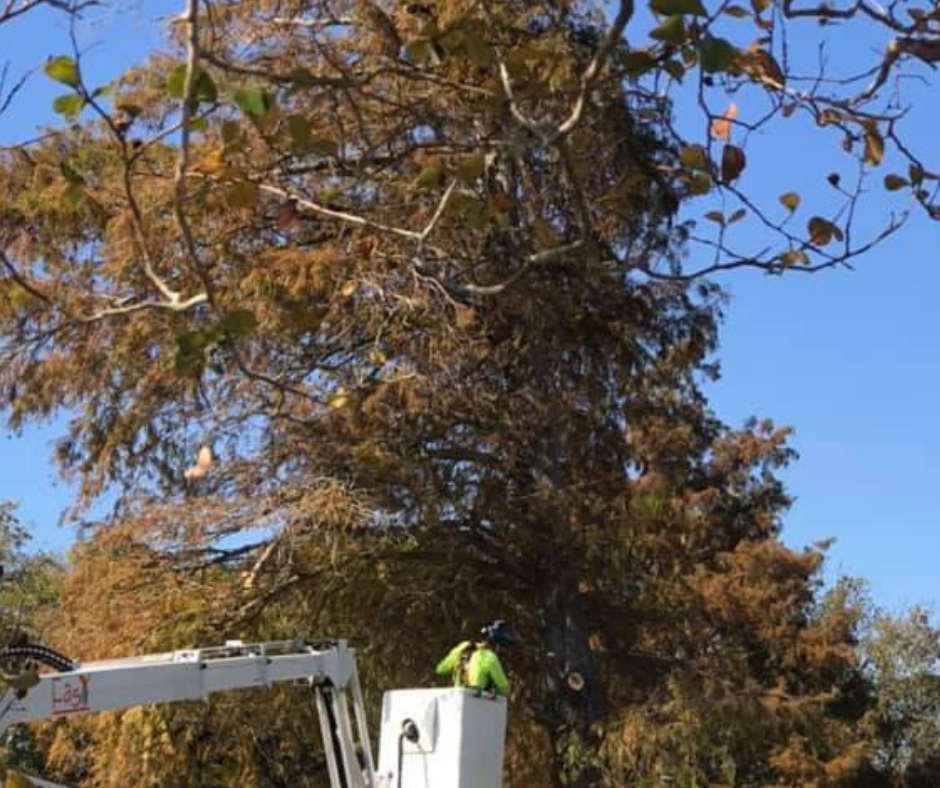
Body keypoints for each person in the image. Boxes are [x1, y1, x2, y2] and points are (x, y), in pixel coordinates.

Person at [435, 620, 518, 697]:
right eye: (505, 647)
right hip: (476, 704)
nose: (505, 652)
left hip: (457, 701)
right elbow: (504, 689)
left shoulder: (464, 646)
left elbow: (440, 669)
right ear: (498, 645)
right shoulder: (490, 657)